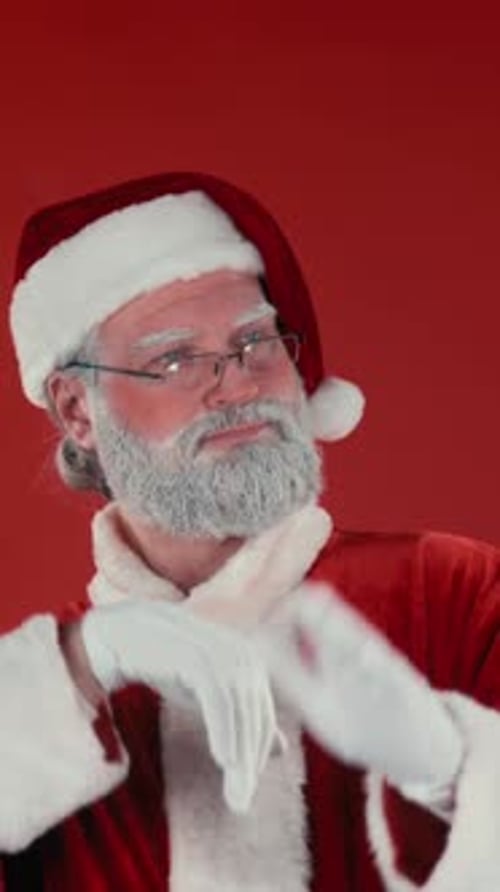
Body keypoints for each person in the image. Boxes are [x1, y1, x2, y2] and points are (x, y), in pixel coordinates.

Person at [3, 171, 500, 892]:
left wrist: (453, 767)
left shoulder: (450, 593)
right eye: (173, 359)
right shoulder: (60, 701)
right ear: (78, 409)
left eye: (255, 342)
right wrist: (83, 664)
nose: (237, 384)